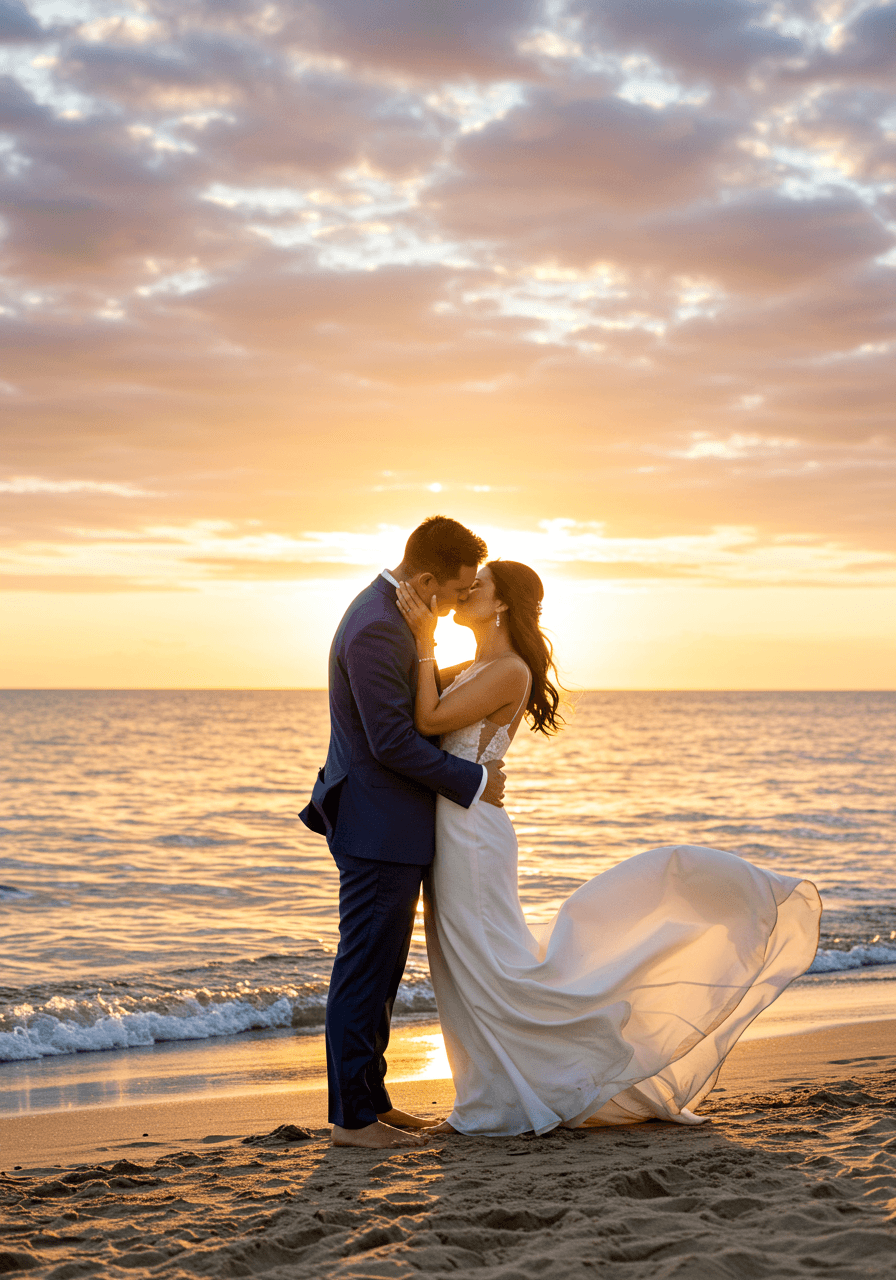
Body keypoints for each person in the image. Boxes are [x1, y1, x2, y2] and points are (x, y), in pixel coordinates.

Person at [395, 560, 822, 1136]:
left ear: (501, 605)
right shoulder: (475, 666)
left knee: (490, 963)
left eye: (479, 586)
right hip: (454, 827)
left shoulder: (510, 670)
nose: (466, 591)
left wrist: (423, 638)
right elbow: (414, 696)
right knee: (462, 963)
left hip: (473, 835)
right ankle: (490, 1094)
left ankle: (507, 1097)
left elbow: (426, 717)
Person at [299, 516, 507, 1149]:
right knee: (364, 969)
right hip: (375, 823)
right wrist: (472, 782)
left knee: (382, 971)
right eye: (451, 594)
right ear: (425, 579)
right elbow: (390, 742)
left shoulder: (395, 620)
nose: (449, 609)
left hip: (392, 822)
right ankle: (353, 1123)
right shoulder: (375, 627)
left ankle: (372, 1100)